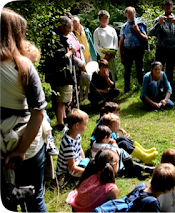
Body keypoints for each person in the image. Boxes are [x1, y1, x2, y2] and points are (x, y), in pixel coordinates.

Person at [0, 7, 48, 212]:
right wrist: (20, 150)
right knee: (35, 198)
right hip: (26, 141)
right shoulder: (23, 66)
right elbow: (38, 113)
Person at [44, 15, 76, 132]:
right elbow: (60, 59)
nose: (70, 31)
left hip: (62, 75)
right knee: (60, 101)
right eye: (69, 27)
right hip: (60, 76)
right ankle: (61, 124)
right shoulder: (55, 40)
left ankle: (63, 120)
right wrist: (70, 53)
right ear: (62, 26)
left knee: (63, 100)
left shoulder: (57, 38)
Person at [90, 125, 154, 177]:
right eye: (109, 138)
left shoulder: (94, 144)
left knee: (125, 160)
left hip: (100, 167)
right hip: (110, 170)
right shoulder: (105, 147)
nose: (110, 139)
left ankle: (143, 168)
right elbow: (115, 152)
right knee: (122, 152)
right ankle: (136, 169)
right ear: (104, 138)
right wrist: (114, 144)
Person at [148, 0, 175, 83]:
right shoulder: (159, 19)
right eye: (166, 8)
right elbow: (151, 33)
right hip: (161, 48)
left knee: (170, 70)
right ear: (163, 8)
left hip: (173, 49)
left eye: (169, 8)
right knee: (158, 68)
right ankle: (157, 87)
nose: (168, 10)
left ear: (172, 8)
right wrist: (158, 24)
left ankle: (168, 89)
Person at [56, 108, 90, 186]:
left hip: (76, 164)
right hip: (66, 174)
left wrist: (84, 161)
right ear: (77, 125)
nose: (86, 127)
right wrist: (87, 172)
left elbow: (80, 148)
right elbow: (72, 168)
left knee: (90, 163)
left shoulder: (75, 135)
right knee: (90, 177)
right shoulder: (68, 144)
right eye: (84, 125)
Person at [119, 6, 148, 94]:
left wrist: (138, 30)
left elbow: (145, 38)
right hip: (127, 51)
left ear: (134, 14)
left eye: (132, 14)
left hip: (138, 50)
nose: (130, 16)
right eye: (129, 14)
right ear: (126, 15)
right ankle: (127, 89)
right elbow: (121, 42)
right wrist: (121, 56)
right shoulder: (124, 27)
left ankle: (142, 88)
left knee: (140, 70)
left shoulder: (140, 24)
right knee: (127, 71)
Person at [93, 10, 118, 81]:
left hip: (111, 55)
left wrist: (112, 52)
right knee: (104, 72)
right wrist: (104, 56)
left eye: (106, 18)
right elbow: (96, 45)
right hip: (102, 55)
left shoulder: (112, 30)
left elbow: (115, 42)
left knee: (112, 73)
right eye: (104, 18)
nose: (105, 20)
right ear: (100, 19)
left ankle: (112, 86)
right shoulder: (97, 31)